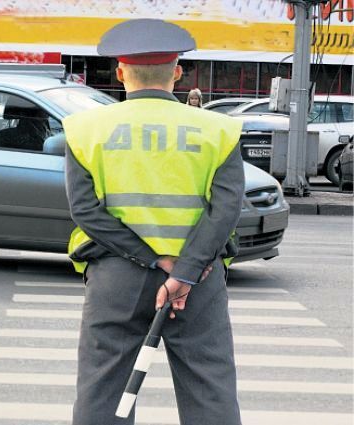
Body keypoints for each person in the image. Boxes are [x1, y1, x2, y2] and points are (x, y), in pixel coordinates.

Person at [62, 19, 244, 425]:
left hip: (116, 277)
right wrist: (185, 269)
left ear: (121, 71)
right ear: (177, 71)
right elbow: (227, 210)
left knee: (103, 391)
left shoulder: (85, 129)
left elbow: (86, 212)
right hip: (198, 280)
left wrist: (153, 260)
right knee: (209, 388)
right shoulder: (221, 130)